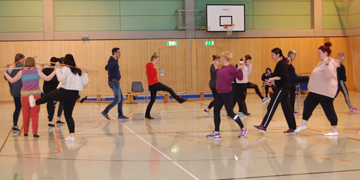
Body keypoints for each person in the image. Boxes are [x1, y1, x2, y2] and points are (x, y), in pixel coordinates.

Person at [30, 54, 89, 141]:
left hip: (66, 91)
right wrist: (86, 73)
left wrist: (57, 68)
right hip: (74, 94)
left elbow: (61, 79)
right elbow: (85, 82)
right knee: (68, 115)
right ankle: (72, 136)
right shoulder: (78, 70)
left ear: (65, 61)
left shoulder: (66, 68)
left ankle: (34, 102)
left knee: (49, 96)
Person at [1, 57, 56, 138]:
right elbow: (47, 78)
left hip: (24, 96)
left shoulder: (22, 72)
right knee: (35, 115)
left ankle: (26, 132)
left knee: (25, 114)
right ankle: (35, 133)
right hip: (36, 95)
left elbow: (12, 80)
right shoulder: (37, 71)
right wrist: (55, 71)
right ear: (33, 63)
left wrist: (4, 72)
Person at [295, 42, 339, 136]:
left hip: (325, 91)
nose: (318, 55)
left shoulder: (329, 62)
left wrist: (327, 65)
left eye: (319, 53)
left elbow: (329, 75)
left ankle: (334, 130)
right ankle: (303, 124)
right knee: (307, 104)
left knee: (328, 109)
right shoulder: (323, 62)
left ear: (325, 53)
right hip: (316, 90)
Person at [254, 48, 297, 135]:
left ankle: (264, 126)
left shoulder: (281, 63)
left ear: (278, 55)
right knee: (287, 108)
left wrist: (272, 79)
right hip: (284, 87)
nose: (271, 56)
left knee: (272, 106)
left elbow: (283, 77)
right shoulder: (280, 63)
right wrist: (271, 80)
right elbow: (279, 76)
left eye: (273, 54)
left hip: (282, 88)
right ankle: (292, 127)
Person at [206, 51, 248, 138]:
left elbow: (240, 77)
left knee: (230, 113)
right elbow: (220, 75)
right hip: (219, 93)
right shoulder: (222, 68)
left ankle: (243, 128)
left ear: (223, 58)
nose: (219, 59)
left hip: (227, 94)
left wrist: (239, 68)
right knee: (216, 111)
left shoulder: (232, 68)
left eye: (220, 58)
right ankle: (217, 131)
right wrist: (216, 67)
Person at [145, 53, 187, 119]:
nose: (158, 62)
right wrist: (154, 67)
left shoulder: (150, 65)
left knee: (152, 100)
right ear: (153, 59)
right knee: (169, 89)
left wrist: (153, 66)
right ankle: (179, 100)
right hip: (154, 83)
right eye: (157, 60)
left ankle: (147, 114)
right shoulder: (151, 66)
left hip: (152, 85)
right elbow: (151, 75)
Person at [101, 48, 128, 120]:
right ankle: (105, 111)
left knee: (121, 98)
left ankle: (120, 114)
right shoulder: (112, 59)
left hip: (116, 82)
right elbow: (107, 67)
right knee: (117, 99)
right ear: (114, 53)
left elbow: (108, 67)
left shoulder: (115, 60)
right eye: (119, 52)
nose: (120, 54)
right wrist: (114, 60)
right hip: (113, 82)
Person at [4, 53, 24, 133]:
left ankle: (15, 125)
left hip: (14, 91)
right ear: (20, 59)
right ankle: (19, 126)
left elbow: (6, 77)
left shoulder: (11, 68)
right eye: (23, 59)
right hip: (21, 91)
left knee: (17, 108)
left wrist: (8, 69)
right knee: (22, 108)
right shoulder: (20, 66)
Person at [42, 57, 65, 126]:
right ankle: (50, 121)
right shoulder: (57, 70)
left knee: (49, 102)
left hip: (46, 88)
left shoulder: (46, 69)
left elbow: (41, 75)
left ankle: (49, 115)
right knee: (52, 104)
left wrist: (42, 67)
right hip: (53, 89)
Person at [287, 50, 309, 115]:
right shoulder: (287, 60)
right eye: (294, 55)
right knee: (306, 78)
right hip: (291, 80)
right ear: (291, 55)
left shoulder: (289, 61)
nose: (295, 56)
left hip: (292, 81)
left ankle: (291, 111)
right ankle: (313, 88)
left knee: (292, 96)